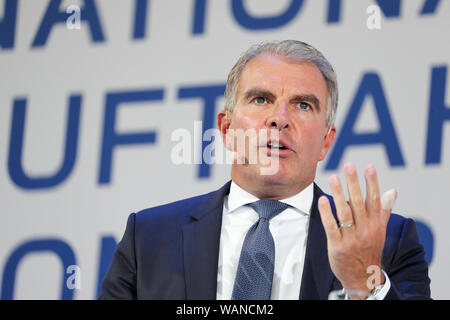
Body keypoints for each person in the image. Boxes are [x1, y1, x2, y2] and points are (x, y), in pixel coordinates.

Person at [99, 40, 430, 300]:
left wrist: (365, 285)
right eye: (260, 99)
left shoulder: (389, 243)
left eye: (303, 104)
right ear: (227, 129)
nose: (279, 118)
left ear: (326, 142)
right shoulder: (150, 237)